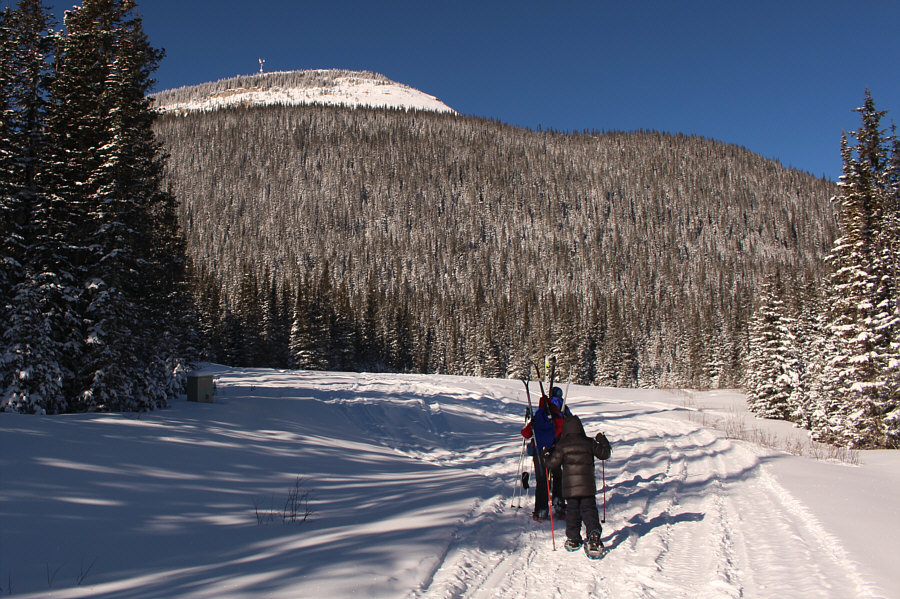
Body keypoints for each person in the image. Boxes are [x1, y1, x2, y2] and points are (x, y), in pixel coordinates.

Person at [546, 414, 608, 558]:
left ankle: (573, 539)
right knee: (589, 510)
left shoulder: (562, 445)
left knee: (573, 512)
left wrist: (546, 455)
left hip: (570, 488)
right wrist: (602, 440)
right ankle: (593, 535)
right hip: (587, 486)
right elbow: (604, 454)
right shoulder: (588, 442)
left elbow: (551, 464)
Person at [520, 386, 570, 521]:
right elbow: (563, 430)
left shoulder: (537, 417)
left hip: (539, 452)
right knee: (558, 476)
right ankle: (559, 505)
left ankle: (541, 510)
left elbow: (525, 433)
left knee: (542, 480)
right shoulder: (557, 417)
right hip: (555, 451)